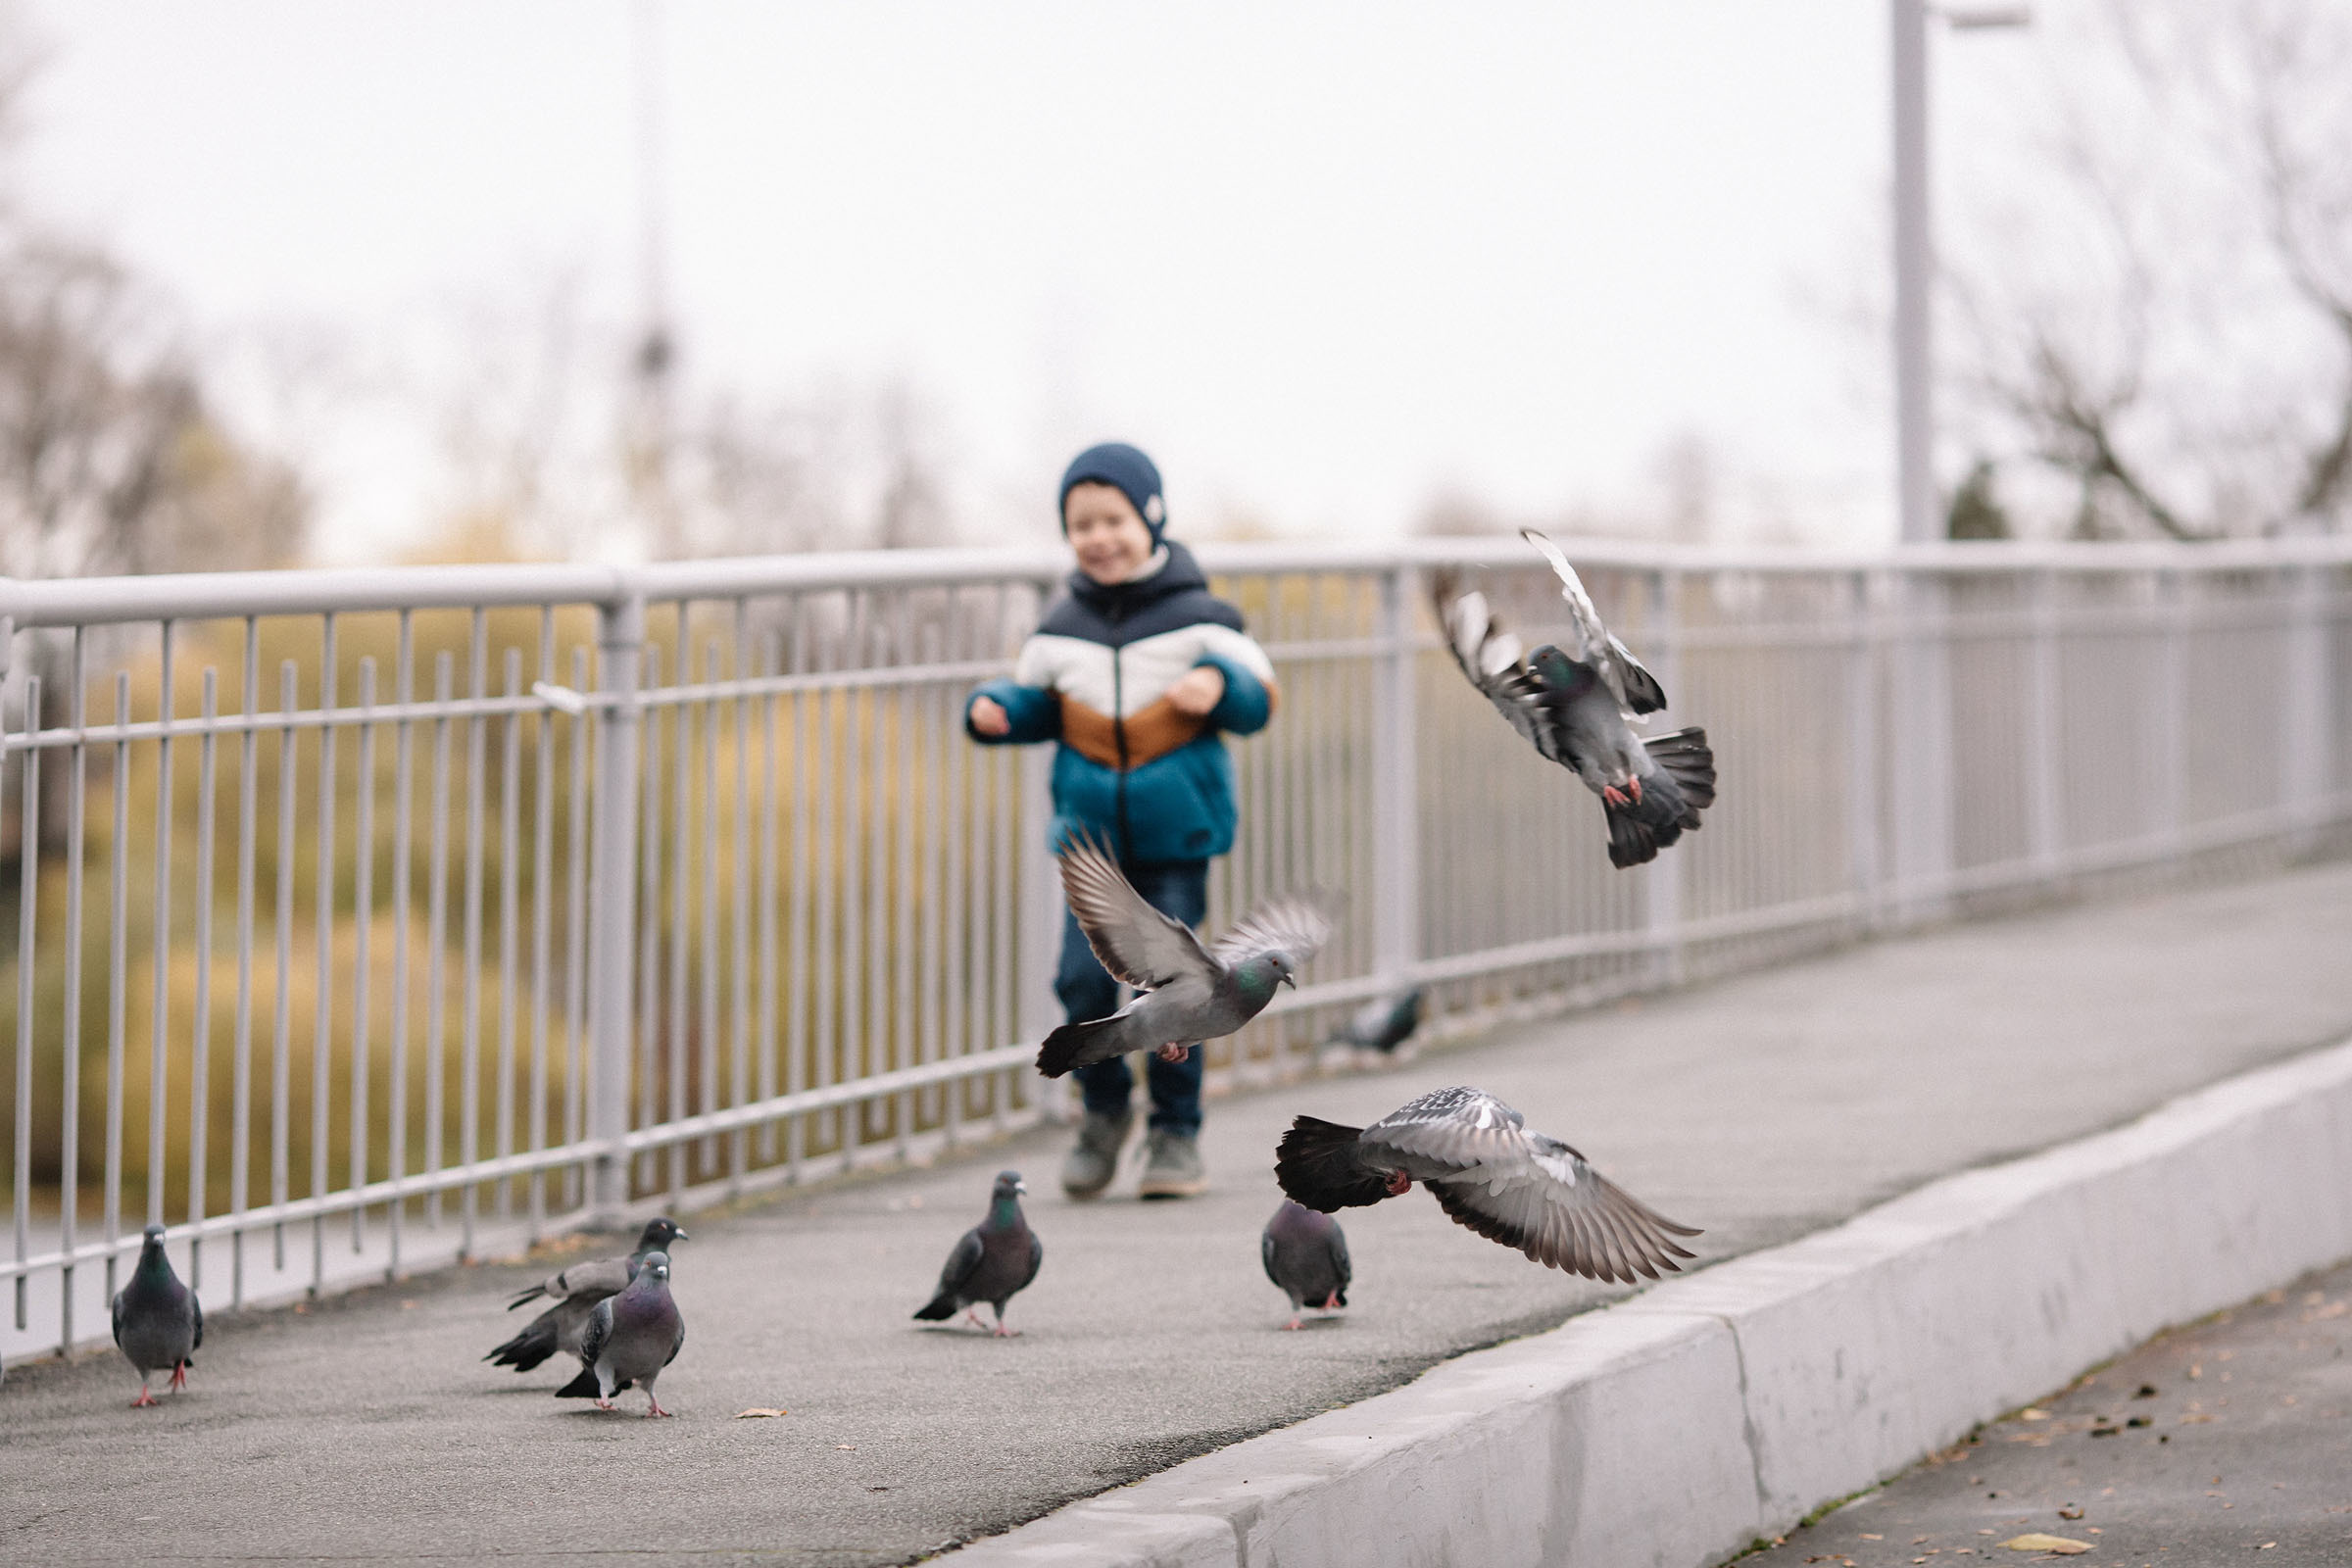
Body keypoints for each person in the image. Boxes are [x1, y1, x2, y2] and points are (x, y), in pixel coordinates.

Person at [965, 442, 1277, 1200]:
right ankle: (1102, 1114)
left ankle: (1175, 1135)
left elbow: (1257, 696)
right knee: (1078, 983)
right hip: (1092, 844)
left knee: (1185, 994)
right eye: (1081, 525)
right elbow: (1039, 704)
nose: (1099, 537)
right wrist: (998, 710)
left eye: (1114, 519)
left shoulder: (1203, 617)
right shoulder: (1058, 629)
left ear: (1152, 518)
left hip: (1177, 838)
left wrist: (1217, 682)